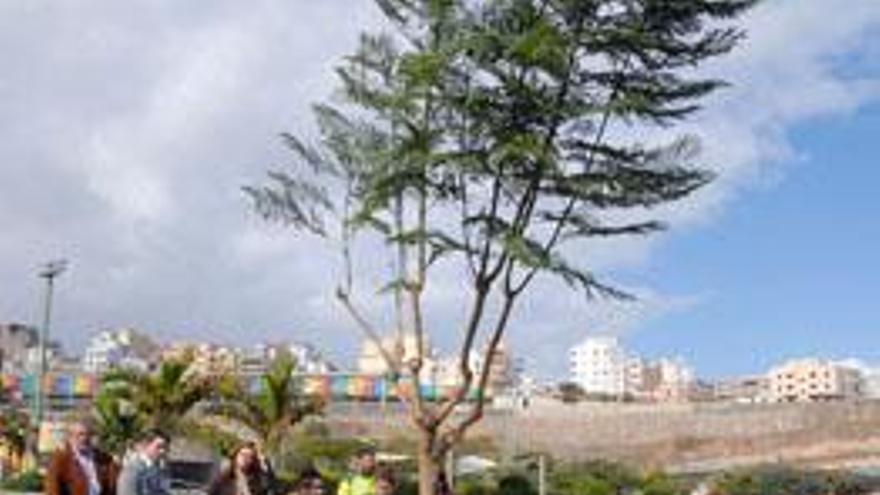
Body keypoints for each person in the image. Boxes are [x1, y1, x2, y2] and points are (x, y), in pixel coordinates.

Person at [45, 419, 119, 495]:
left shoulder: (102, 458)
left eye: (88, 434)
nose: (84, 438)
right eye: (80, 434)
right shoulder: (61, 459)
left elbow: (112, 482)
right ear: (71, 436)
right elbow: (52, 488)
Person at [207, 441, 276, 495]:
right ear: (236, 456)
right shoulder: (223, 479)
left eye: (249, 457)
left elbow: (271, 486)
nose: (245, 458)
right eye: (242, 454)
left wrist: (265, 462)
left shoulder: (258, 482)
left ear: (253, 461)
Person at [117, 429, 172, 495]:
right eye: (159, 447)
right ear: (146, 445)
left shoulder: (157, 468)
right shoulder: (132, 470)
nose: (163, 451)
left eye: (165, 448)